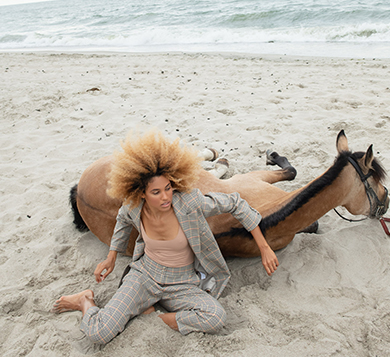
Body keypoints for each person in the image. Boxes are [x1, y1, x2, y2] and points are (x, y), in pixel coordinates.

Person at [53, 129, 279, 344]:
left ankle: (150, 317)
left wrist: (264, 247)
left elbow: (236, 203)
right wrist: (111, 256)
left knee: (215, 317)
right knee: (99, 332)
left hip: (182, 282)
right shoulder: (133, 207)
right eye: (156, 192)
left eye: (168, 188)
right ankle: (85, 300)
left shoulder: (189, 202)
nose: (165, 197)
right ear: (141, 193)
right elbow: (122, 221)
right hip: (144, 276)